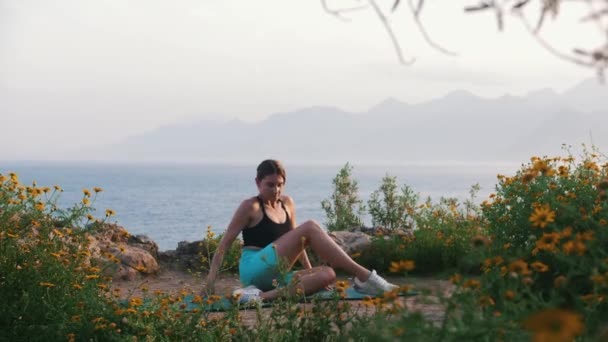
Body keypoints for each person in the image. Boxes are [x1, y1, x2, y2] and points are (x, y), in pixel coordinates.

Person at [203, 159, 397, 303]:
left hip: (276, 276)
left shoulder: (287, 204)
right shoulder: (250, 206)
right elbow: (224, 244)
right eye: (270, 185)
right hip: (253, 269)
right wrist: (210, 283)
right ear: (257, 182)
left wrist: (310, 272)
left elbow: (300, 243)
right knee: (311, 226)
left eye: (280, 185)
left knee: (327, 274)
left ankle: (259, 296)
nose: (276, 190)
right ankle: (366, 277)